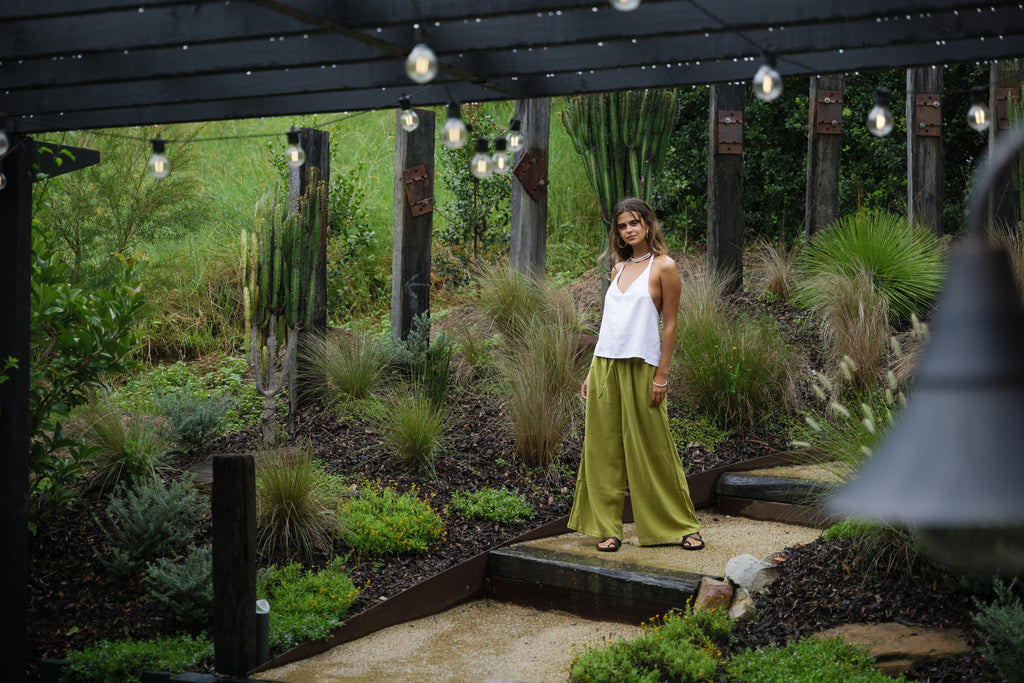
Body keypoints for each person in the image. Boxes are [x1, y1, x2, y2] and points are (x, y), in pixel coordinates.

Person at [568, 197, 703, 552]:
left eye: (634, 223)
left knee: (653, 448)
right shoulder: (617, 269)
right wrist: (590, 371)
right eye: (622, 225)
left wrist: (662, 376)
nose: (628, 230)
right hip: (605, 366)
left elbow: (671, 325)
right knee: (602, 450)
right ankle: (608, 529)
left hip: (642, 366)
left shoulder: (664, 267)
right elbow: (609, 325)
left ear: (647, 224)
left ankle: (682, 525)